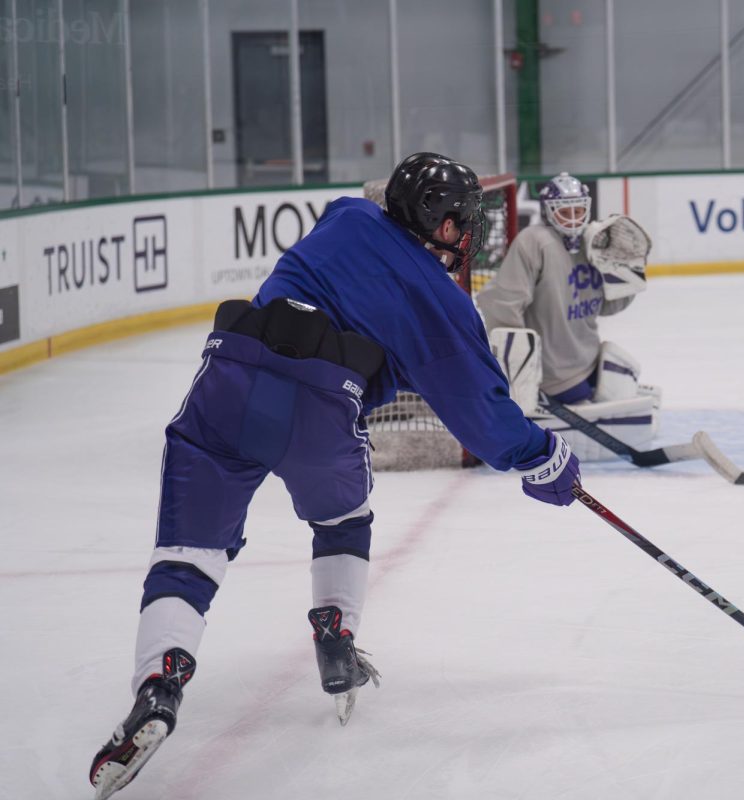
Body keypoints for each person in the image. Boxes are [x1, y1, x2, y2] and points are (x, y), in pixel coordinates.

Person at [88, 153, 582, 799]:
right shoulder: (441, 304)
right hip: (320, 409)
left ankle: (161, 684)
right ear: (442, 220)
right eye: (464, 220)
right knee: (342, 520)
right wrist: (542, 457)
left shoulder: (346, 213)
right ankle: (336, 635)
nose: (470, 233)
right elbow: (482, 419)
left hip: (225, 384)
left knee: (188, 552)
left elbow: (349, 280)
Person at [476, 172, 655, 460]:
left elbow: (605, 307)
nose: (573, 218)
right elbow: (501, 304)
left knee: (628, 370)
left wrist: (626, 279)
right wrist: (518, 375)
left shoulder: (593, 242)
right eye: (565, 211)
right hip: (553, 380)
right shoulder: (536, 241)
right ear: (549, 211)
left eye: (579, 210)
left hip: (587, 364)